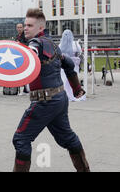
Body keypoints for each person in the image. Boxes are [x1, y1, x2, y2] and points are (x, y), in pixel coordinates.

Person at [12, 9, 89, 172]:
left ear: (40, 28)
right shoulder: (54, 46)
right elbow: (69, 65)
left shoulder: (35, 44)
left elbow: (29, 55)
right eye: (25, 25)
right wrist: (76, 89)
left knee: (21, 139)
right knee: (67, 138)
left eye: (30, 25)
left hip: (44, 102)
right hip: (59, 100)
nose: (26, 28)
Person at [59, 29, 85, 102]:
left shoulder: (60, 45)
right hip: (74, 64)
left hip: (63, 65)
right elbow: (80, 53)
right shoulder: (76, 44)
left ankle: (65, 94)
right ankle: (75, 93)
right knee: (73, 79)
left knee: (64, 80)